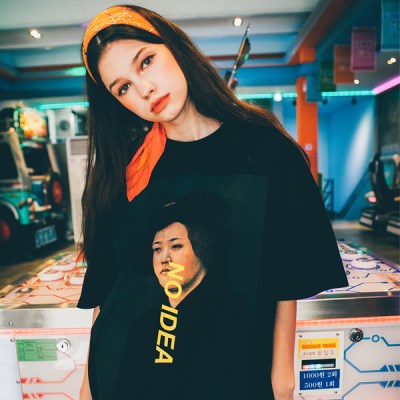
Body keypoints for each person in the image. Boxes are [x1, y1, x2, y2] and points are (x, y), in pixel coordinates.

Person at [77, 4, 349, 400]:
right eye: (122, 88)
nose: (144, 89)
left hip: (233, 375)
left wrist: (282, 372)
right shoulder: (126, 171)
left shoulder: (264, 149)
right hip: (137, 382)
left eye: (146, 61)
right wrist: (88, 387)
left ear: (173, 46)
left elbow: (285, 270)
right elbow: (107, 293)